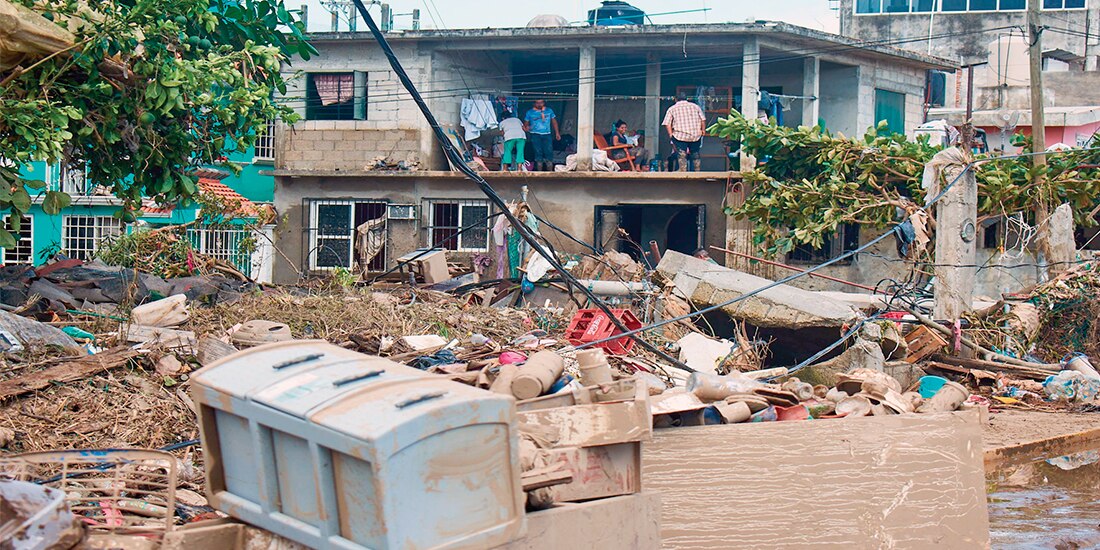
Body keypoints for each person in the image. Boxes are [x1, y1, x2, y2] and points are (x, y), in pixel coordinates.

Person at [662, 92, 707, 172]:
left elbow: (667, 123)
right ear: (686, 99)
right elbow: (703, 119)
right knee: (695, 153)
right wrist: (703, 130)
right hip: (695, 135)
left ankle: (683, 170)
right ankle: (697, 170)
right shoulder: (695, 106)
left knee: (682, 153)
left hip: (680, 135)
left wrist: (670, 134)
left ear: (676, 99)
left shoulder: (672, 108)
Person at [524, 99, 560, 171]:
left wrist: (557, 133)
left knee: (549, 152)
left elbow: (554, 122)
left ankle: (549, 171)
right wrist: (527, 128)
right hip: (535, 134)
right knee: (538, 152)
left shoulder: (549, 111)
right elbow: (526, 124)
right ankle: (539, 172)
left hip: (547, 134)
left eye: (541, 102)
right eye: (537, 103)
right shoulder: (530, 112)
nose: (539, 104)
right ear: (534, 103)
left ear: (544, 103)